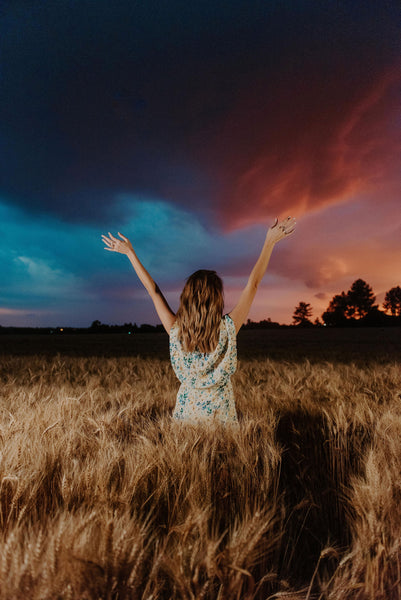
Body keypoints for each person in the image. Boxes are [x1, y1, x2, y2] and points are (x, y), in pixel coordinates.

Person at [102, 215, 295, 424]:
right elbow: (253, 284)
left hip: (186, 417)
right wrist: (269, 242)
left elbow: (154, 292)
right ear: (217, 300)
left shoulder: (176, 331)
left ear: (186, 298)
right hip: (221, 415)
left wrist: (130, 253)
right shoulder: (228, 329)